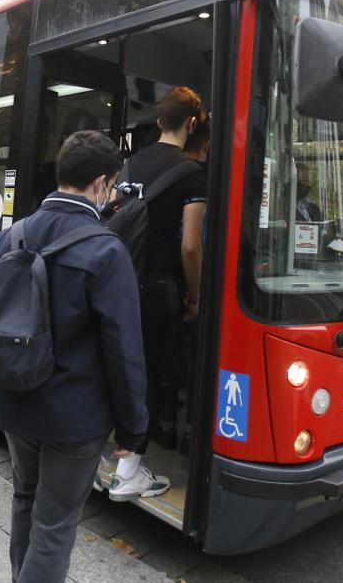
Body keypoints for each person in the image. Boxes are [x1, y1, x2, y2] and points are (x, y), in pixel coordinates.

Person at [0, 130, 148, 583]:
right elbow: (124, 351)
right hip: (76, 418)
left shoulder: (8, 238)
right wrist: (133, 429)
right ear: (101, 183)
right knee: (54, 524)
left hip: (16, 401)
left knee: (24, 501)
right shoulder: (107, 250)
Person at [110, 86, 207, 497]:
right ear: (191, 123)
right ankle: (129, 469)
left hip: (118, 281)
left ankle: (111, 452)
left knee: (119, 366)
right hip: (159, 288)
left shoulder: (129, 165)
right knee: (151, 375)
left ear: (158, 120)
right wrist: (196, 296)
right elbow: (189, 245)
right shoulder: (193, 175)